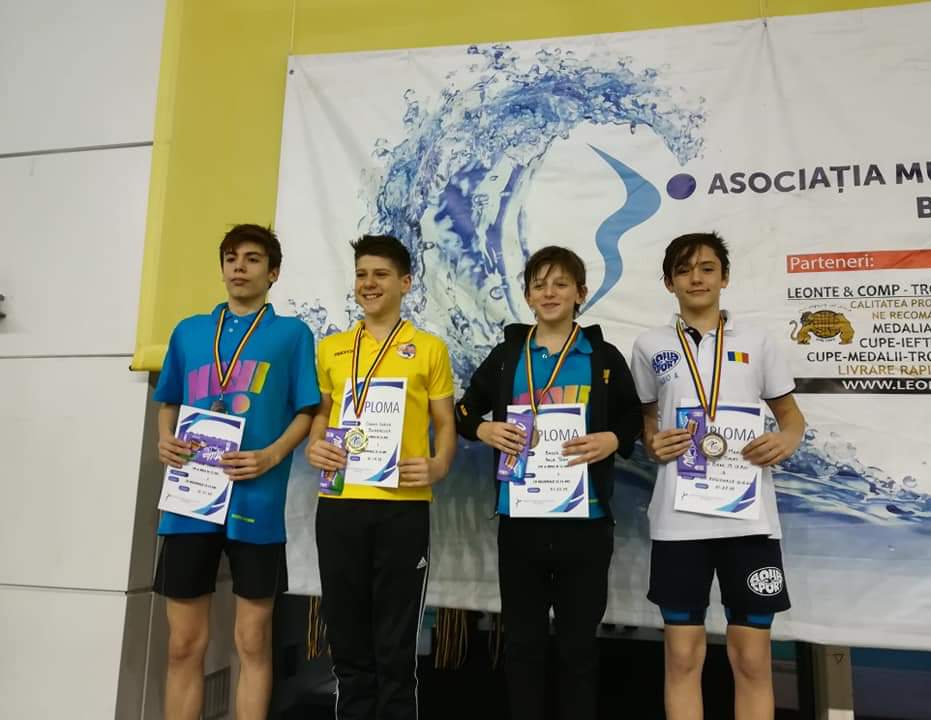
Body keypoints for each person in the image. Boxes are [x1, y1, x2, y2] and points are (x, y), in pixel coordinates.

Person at [455, 246, 643, 720]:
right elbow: (463, 410)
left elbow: (633, 418)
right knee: (522, 646)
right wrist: (483, 429)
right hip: (521, 521)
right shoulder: (508, 356)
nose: (549, 293)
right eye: (539, 285)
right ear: (527, 296)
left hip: (587, 521)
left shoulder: (601, 357)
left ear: (581, 293)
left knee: (578, 649)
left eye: (561, 284)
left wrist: (612, 438)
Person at [630, 232, 806, 720]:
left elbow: (791, 417)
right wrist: (652, 440)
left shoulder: (757, 341)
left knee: (751, 660)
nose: (697, 278)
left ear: (724, 277)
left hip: (749, 521)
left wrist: (787, 440)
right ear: (669, 282)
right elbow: (646, 419)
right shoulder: (649, 345)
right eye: (684, 270)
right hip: (679, 522)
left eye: (707, 268)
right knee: (683, 657)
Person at [154, 223, 320, 719]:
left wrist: (271, 455)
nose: (239, 267)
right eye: (231, 258)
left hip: (257, 499)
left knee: (252, 640)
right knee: (183, 644)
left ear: (273, 273)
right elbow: (169, 401)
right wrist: (165, 438)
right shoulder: (189, 332)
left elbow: (307, 411)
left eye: (252, 259)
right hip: (191, 500)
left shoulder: (292, 335)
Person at [305, 234, 457, 720]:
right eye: (362, 274)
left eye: (381, 274)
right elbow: (322, 413)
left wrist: (438, 465)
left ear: (406, 283)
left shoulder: (429, 348)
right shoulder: (332, 348)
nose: (369, 283)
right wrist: (314, 443)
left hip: (403, 506)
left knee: (395, 643)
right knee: (347, 636)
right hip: (340, 502)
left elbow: (445, 423)